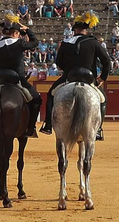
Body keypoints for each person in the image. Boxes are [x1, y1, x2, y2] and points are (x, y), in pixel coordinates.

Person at [41, 11, 111, 140]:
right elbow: (107, 61)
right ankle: (98, 129)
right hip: (89, 78)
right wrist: (102, 78)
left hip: (70, 76)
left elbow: (59, 62)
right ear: (87, 29)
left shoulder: (66, 42)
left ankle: (48, 125)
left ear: (74, 30)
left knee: (51, 95)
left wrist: (67, 70)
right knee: (103, 99)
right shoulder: (94, 43)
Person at [0, 14, 39, 138]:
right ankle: (30, 128)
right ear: (15, 33)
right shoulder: (19, 43)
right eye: (19, 33)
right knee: (36, 99)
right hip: (17, 79)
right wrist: (28, 31)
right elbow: (35, 43)